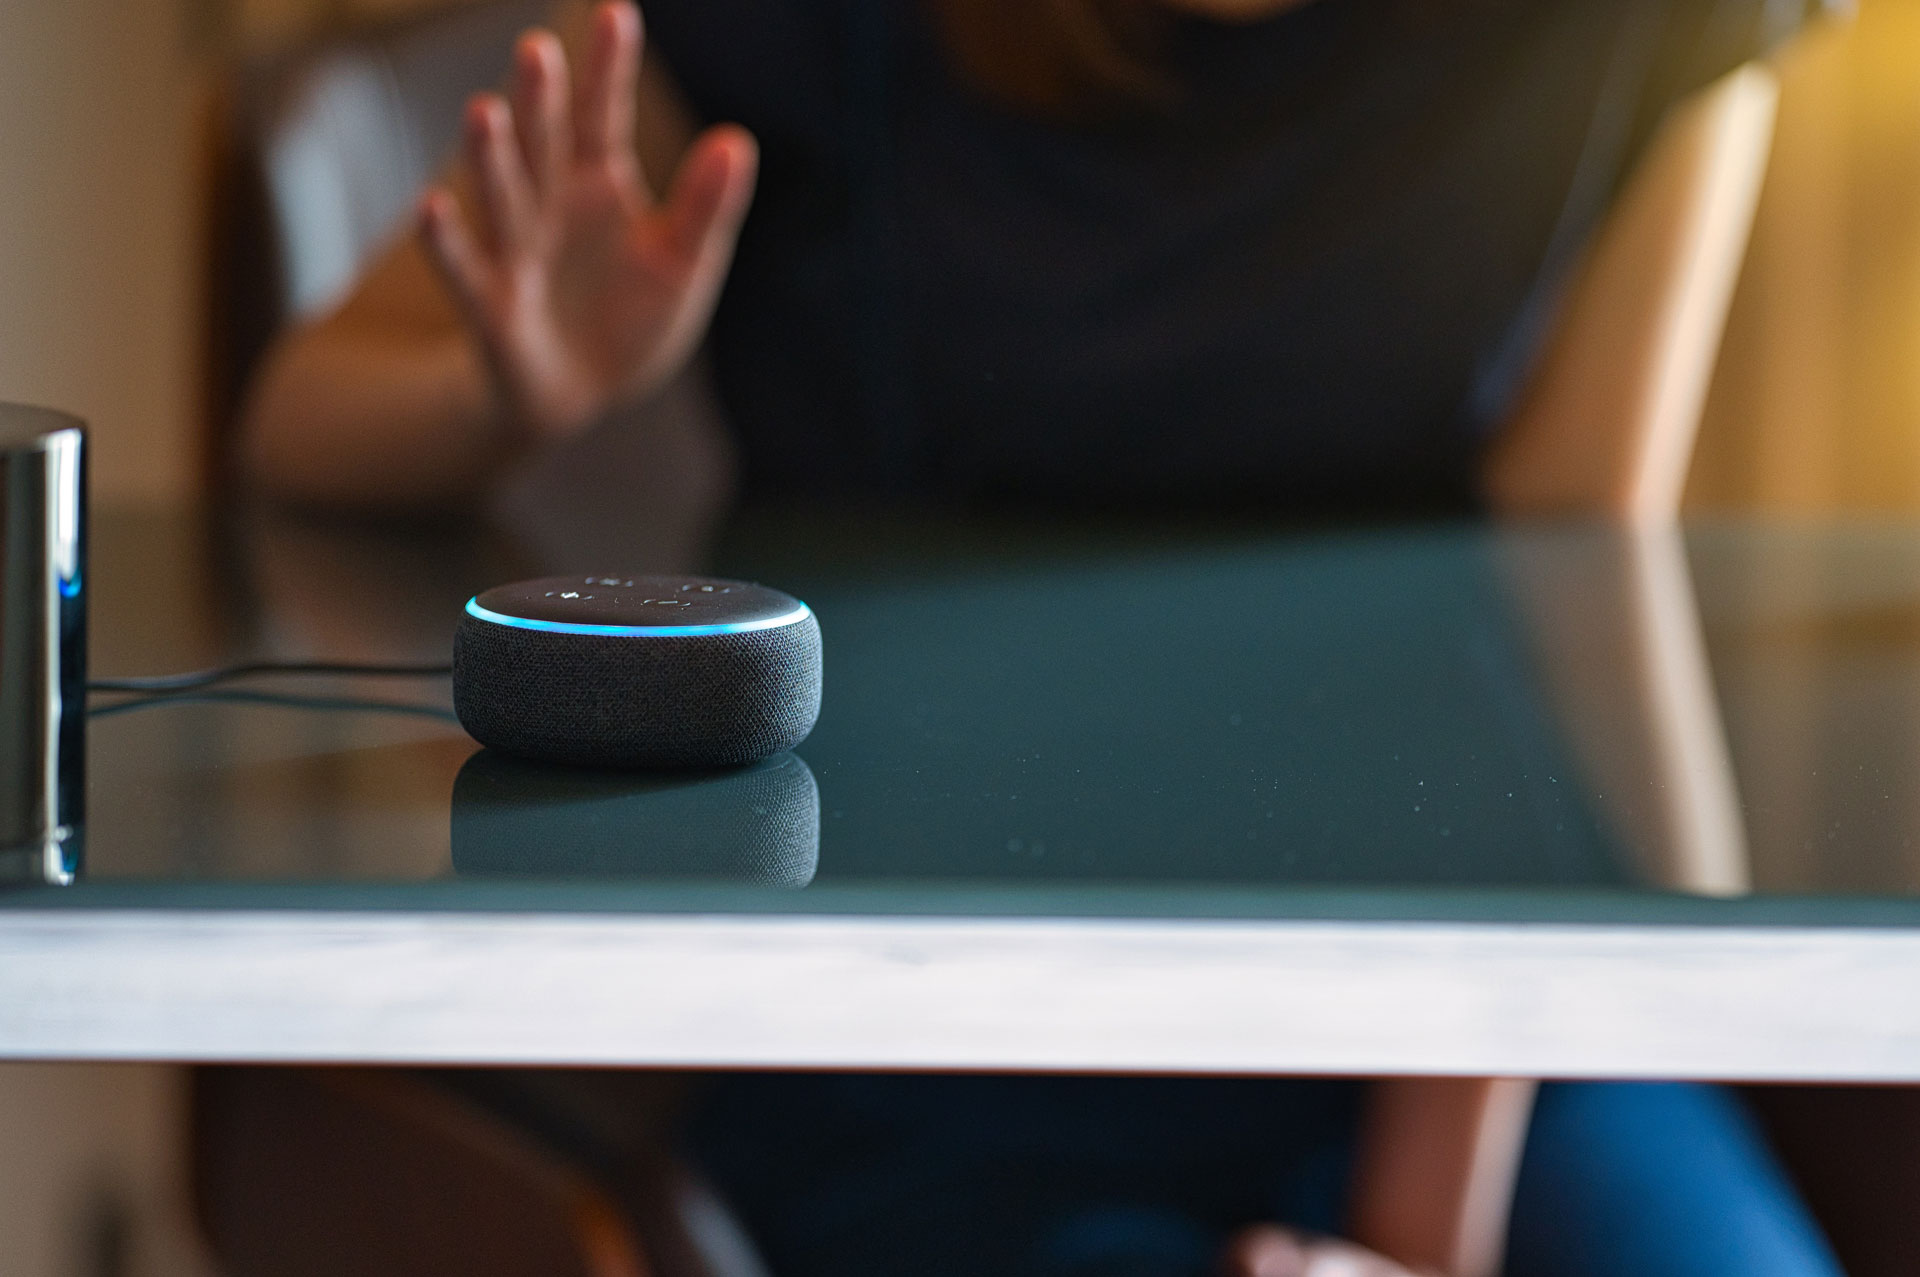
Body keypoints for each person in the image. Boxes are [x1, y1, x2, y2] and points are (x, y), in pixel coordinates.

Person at [240, 2, 1849, 1274]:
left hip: (1468, 1031)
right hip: (926, 1036)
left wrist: (1421, 1220)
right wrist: (503, 397)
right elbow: (299, 424)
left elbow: (1557, 603)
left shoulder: (1628, 26)